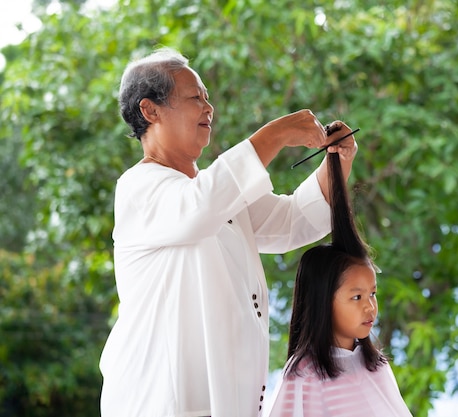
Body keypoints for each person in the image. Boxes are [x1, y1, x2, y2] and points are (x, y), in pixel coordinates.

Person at [99, 47, 358, 417]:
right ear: (150, 110)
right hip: (159, 401)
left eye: (208, 98)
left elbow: (291, 223)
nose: (209, 108)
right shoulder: (139, 187)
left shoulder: (214, 192)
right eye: (195, 98)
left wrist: (337, 163)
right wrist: (277, 133)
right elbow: (198, 209)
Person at [264, 147, 413, 416]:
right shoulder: (303, 376)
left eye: (372, 294)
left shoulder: (376, 365)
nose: (370, 307)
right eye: (356, 297)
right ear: (322, 301)